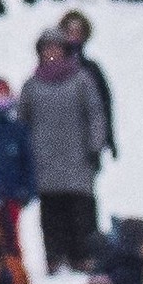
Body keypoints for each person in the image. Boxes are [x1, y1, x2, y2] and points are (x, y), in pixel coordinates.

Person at [20, 28, 112, 271]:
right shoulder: (31, 85)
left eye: (55, 48)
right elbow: (23, 121)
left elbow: (95, 113)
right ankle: (54, 256)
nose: (51, 53)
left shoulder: (81, 79)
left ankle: (83, 255)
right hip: (45, 160)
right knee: (51, 212)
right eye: (46, 48)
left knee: (81, 210)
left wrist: (95, 145)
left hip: (77, 157)